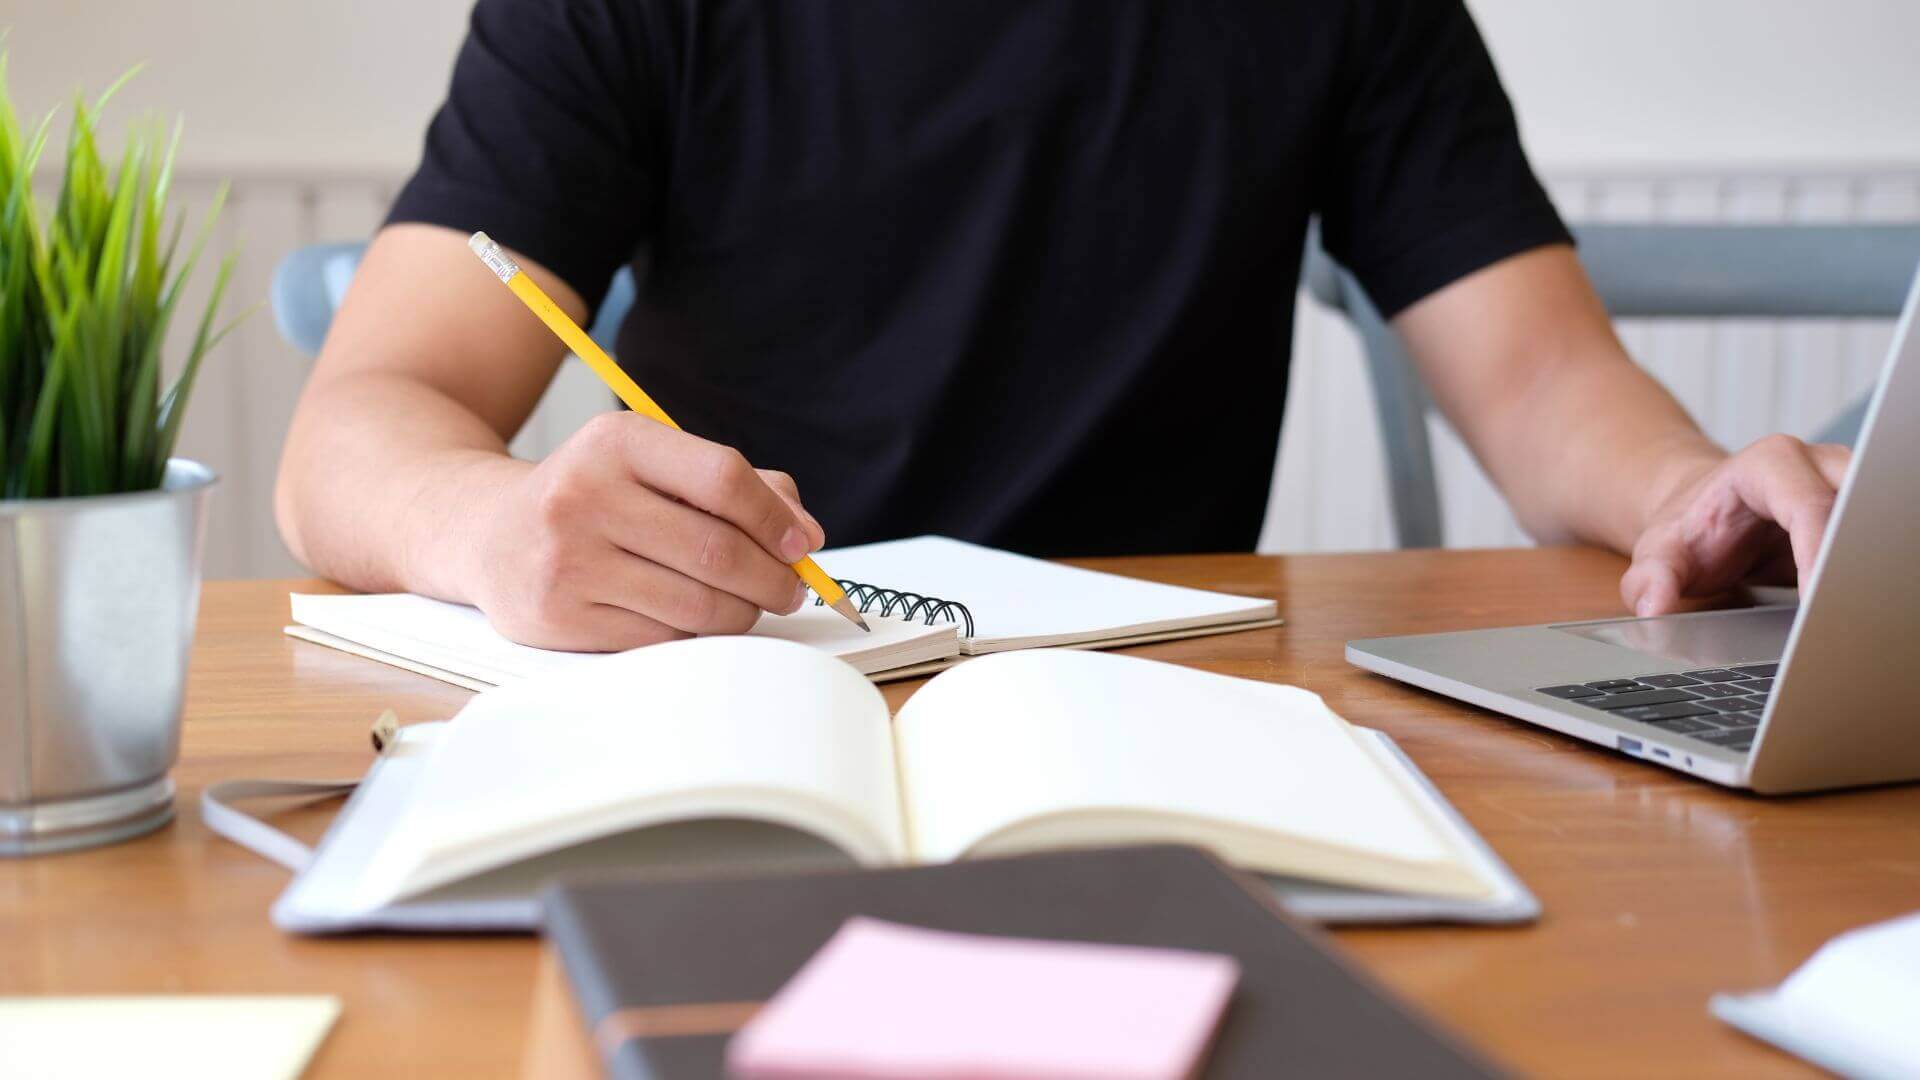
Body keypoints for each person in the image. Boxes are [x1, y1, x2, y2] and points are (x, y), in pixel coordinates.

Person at [276, 0, 1849, 651]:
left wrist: (1680, 494)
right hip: (749, 678)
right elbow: (360, 422)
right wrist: (494, 530)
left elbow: (1544, 375)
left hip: (1164, 716)